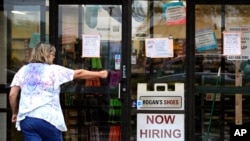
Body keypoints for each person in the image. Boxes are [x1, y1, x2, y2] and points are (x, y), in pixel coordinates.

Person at [9, 42, 108, 141]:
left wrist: (14, 112)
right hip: (48, 118)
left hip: (27, 119)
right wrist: (100, 74)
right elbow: (79, 73)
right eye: (53, 54)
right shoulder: (53, 70)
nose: (54, 57)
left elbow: (12, 94)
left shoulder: (23, 70)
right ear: (47, 54)